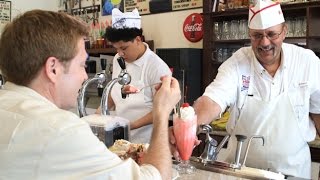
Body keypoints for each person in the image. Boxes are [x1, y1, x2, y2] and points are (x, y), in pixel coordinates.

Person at [0, 9, 181, 180]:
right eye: (81, 64)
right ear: (53, 69)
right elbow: (154, 177)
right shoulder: (62, 130)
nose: (85, 76)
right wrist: (162, 113)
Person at [191, 0, 320, 178]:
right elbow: (212, 100)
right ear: (249, 34)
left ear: (284, 32)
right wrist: (189, 126)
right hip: (242, 172)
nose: (264, 42)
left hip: (293, 172)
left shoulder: (307, 62)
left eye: (271, 34)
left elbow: (318, 112)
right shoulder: (237, 63)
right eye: (257, 35)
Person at [103, 8, 172, 143]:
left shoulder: (157, 67)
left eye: (124, 48)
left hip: (147, 142)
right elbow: (113, 93)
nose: (120, 53)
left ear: (138, 40)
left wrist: (131, 126)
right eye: (116, 48)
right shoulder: (118, 59)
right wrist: (96, 117)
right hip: (121, 139)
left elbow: (163, 109)